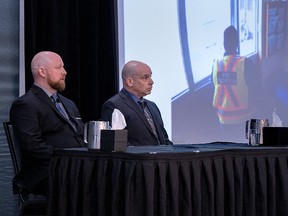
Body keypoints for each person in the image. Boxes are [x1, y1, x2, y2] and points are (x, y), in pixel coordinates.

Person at [10, 51, 85, 195]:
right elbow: (33, 146)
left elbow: (80, 137)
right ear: (42, 72)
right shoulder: (26, 104)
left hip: (75, 167)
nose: (65, 72)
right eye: (58, 67)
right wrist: (68, 157)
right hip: (47, 173)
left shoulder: (69, 104)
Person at [101, 60, 172, 146]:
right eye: (145, 77)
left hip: (160, 158)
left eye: (150, 76)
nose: (151, 82)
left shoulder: (152, 106)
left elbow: (164, 140)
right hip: (137, 159)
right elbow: (118, 145)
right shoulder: (114, 105)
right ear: (130, 82)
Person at [211, 25, 259, 142]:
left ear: (223, 43)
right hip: (243, 119)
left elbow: (214, 87)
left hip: (222, 119)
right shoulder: (246, 63)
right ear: (237, 43)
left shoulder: (215, 65)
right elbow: (256, 90)